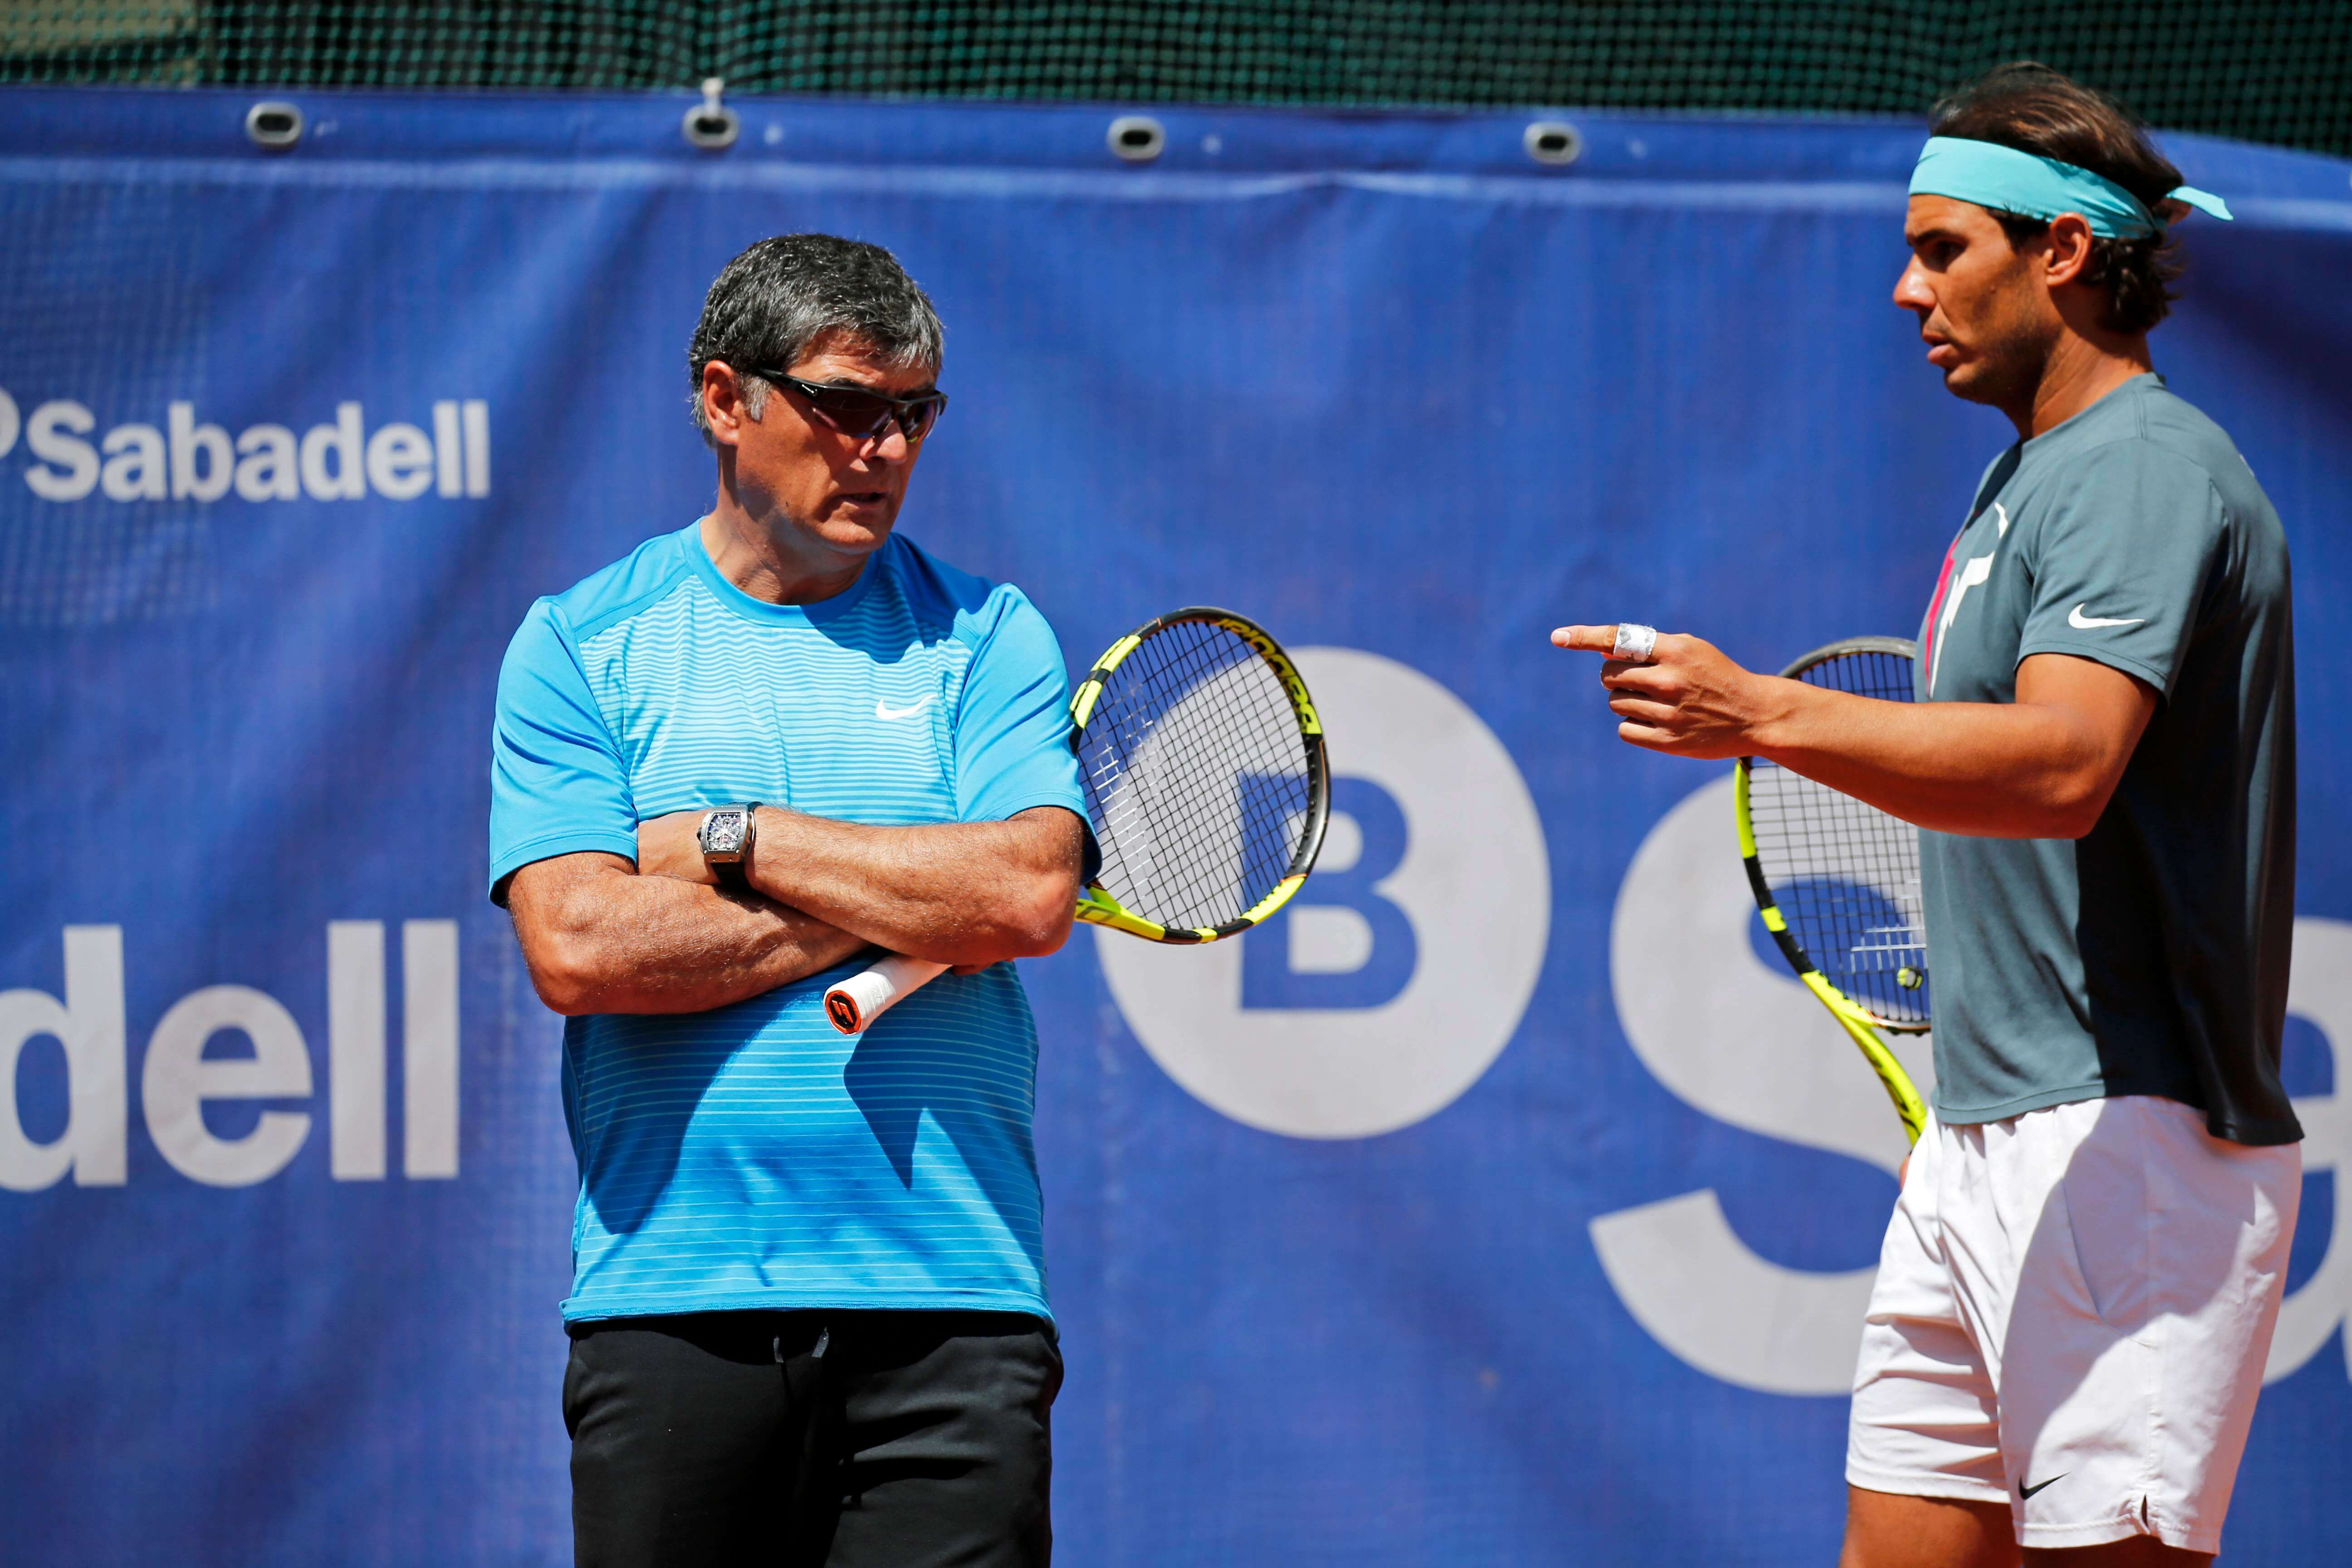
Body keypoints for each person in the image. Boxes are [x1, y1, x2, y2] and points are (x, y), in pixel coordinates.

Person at [1552, 64, 2300, 1568]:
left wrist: (1757, 712)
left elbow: (2062, 767)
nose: (1908, 290)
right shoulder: (2029, 480)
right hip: (1989, 1135)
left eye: (1943, 248)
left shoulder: (2147, 467)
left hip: (2129, 1143)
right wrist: (1973, 1107)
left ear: (2065, 254)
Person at [489, 233, 1089, 1567]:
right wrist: (921, 884)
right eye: (845, 407)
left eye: (912, 414)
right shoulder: (581, 642)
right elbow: (582, 945)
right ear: (725, 400)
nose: (882, 449)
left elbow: (1033, 890)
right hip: (672, 1310)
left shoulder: (991, 635)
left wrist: (735, 835)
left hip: (954, 1314)